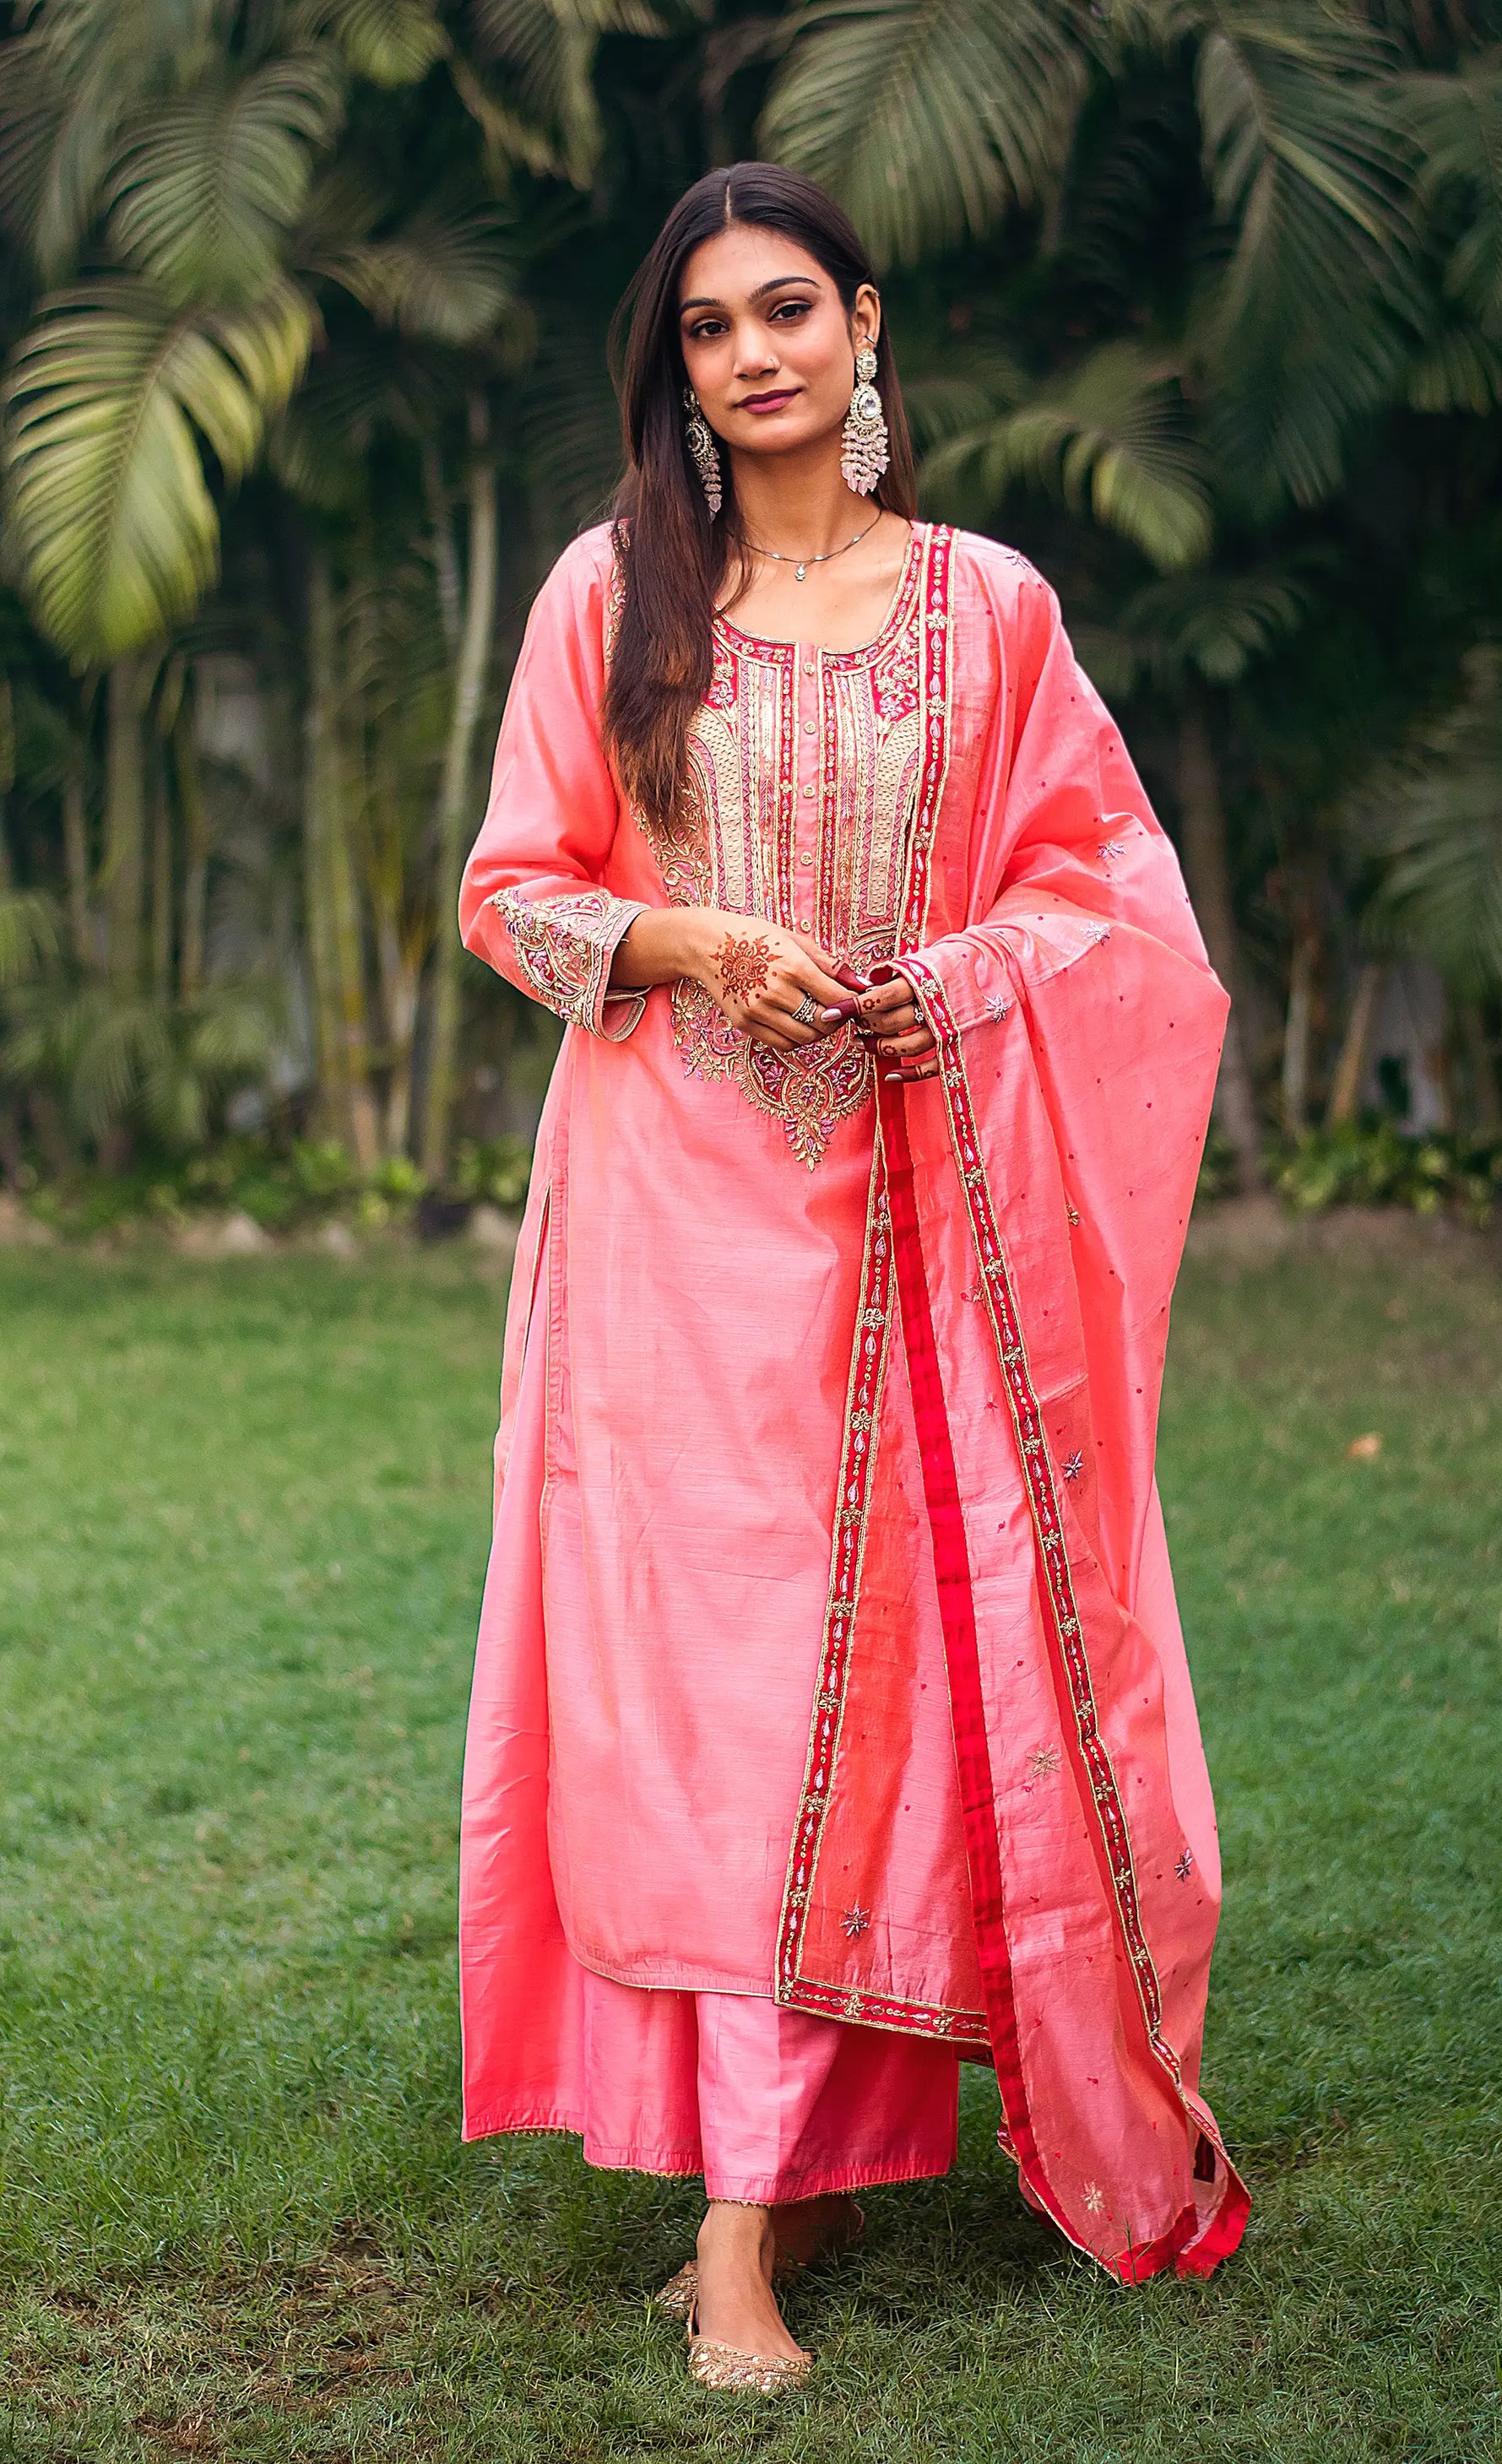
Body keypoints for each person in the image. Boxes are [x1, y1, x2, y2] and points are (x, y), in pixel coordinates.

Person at [457, 160, 1248, 2396]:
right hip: (667, 1242)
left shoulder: (987, 606)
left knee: (876, 1705)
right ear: (676, 370)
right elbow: (508, 896)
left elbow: (1108, 897)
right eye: (708, 327)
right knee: (708, 1728)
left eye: (787, 306)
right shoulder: (608, 602)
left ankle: (779, 2177)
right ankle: (732, 2245)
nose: (754, 353)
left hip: (915, 1231)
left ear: (865, 322)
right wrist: (679, 936)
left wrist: (964, 977)